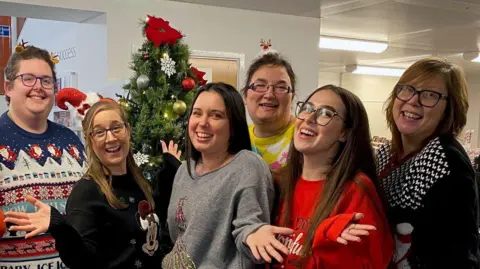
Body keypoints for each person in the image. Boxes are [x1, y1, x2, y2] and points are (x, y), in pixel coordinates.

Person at [4, 100, 180, 269]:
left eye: (116, 128)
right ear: (90, 141)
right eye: (99, 132)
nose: (110, 138)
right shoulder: (87, 192)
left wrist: (169, 174)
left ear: (128, 130)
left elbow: (152, 216)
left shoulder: (139, 182)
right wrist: (60, 228)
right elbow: (81, 261)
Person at [245, 85, 394, 268]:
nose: (309, 118)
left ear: (344, 133)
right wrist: (251, 232)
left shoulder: (355, 189)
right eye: (307, 108)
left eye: (325, 113)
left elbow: (374, 261)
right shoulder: (278, 181)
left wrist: (323, 236)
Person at [377, 57, 480, 268]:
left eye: (430, 95)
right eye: (406, 89)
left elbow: (456, 256)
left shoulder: (446, 161)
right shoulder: (387, 153)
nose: (413, 100)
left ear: (450, 108)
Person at [161, 82, 274, 268]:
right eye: (197, 113)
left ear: (233, 126)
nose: (203, 122)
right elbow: (179, 236)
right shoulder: (184, 170)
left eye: (216, 115)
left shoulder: (247, 165)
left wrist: (254, 233)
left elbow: (249, 226)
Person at [0, 45, 86, 268]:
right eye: (28, 78)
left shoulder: (72, 142)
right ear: (8, 87)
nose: (38, 87)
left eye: (46, 81)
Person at [242, 52, 296, 174]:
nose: (269, 94)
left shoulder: (304, 137)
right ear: (245, 95)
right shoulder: (238, 139)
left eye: (281, 87)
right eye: (260, 85)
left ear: (292, 98)